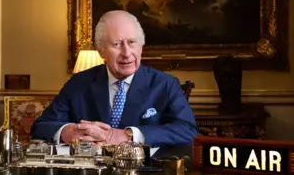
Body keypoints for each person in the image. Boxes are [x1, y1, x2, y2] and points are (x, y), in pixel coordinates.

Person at [31, 10, 197, 147]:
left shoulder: (165, 84)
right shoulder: (79, 84)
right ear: (102, 50)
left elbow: (188, 131)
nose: (126, 53)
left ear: (141, 47)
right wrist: (70, 132)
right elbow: (41, 127)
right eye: (117, 44)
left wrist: (128, 135)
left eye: (132, 42)